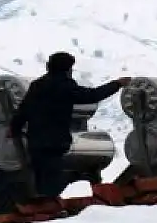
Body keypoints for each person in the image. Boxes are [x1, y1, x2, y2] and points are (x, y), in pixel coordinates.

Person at [9, 52, 131, 198]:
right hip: (55, 143)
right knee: (51, 185)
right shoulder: (65, 86)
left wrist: (14, 129)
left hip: (35, 142)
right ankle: (49, 210)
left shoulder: (37, 85)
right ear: (68, 69)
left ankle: (39, 206)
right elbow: (92, 95)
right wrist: (117, 84)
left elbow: (24, 110)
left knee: (38, 180)